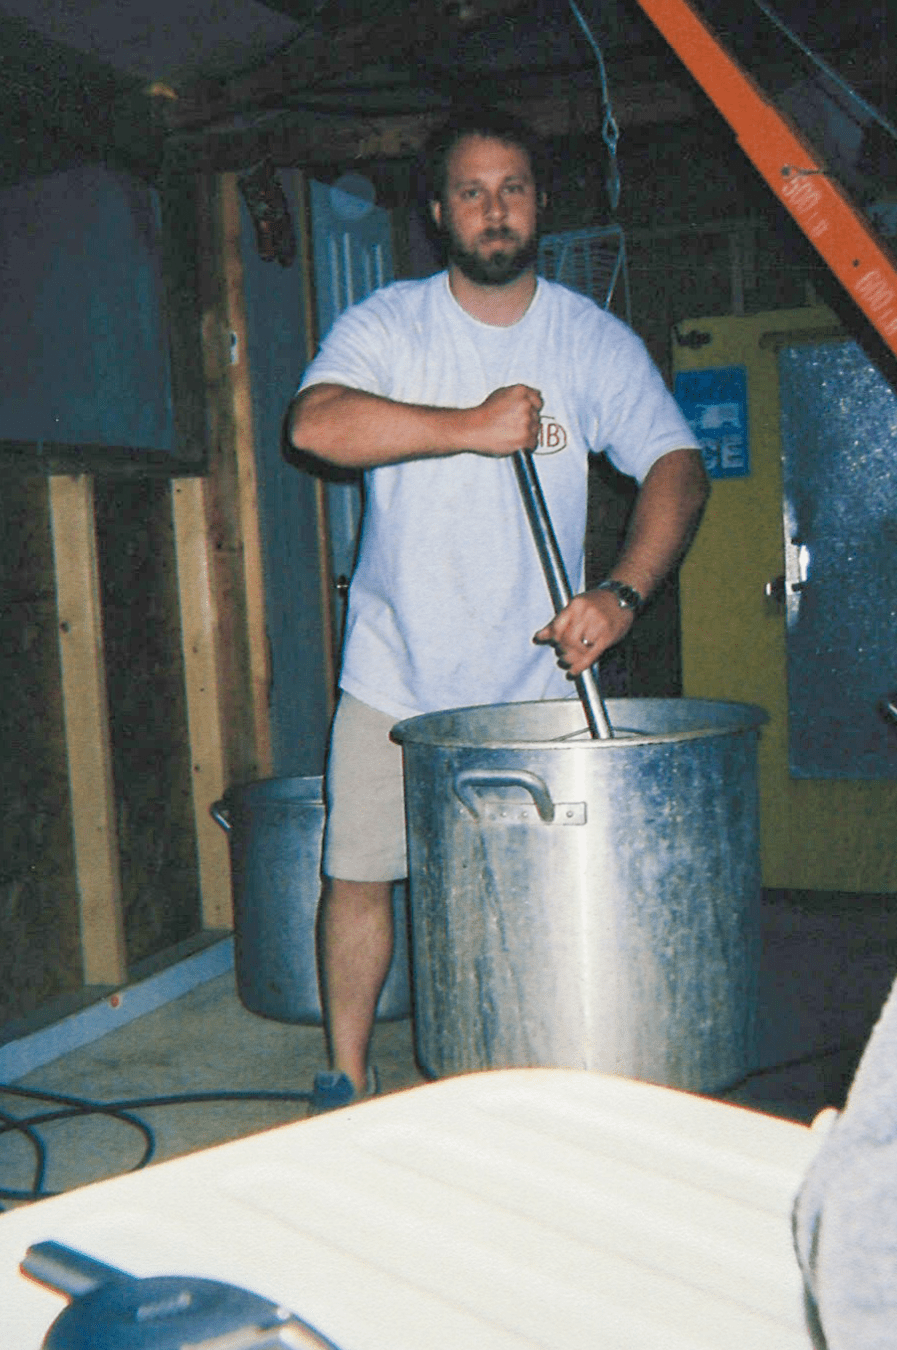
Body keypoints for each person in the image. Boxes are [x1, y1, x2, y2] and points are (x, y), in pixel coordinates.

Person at [288, 107, 709, 1109]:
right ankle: (344, 1075)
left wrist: (623, 592)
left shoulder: (587, 338)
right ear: (438, 212)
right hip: (396, 672)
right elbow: (316, 425)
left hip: (536, 687)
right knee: (358, 877)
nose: (493, 209)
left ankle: (532, 1081)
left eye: (511, 188)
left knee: (537, 895)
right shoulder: (389, 323)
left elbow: (678, 466)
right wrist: (470, 427)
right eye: (470, 192)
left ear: (540, 202)